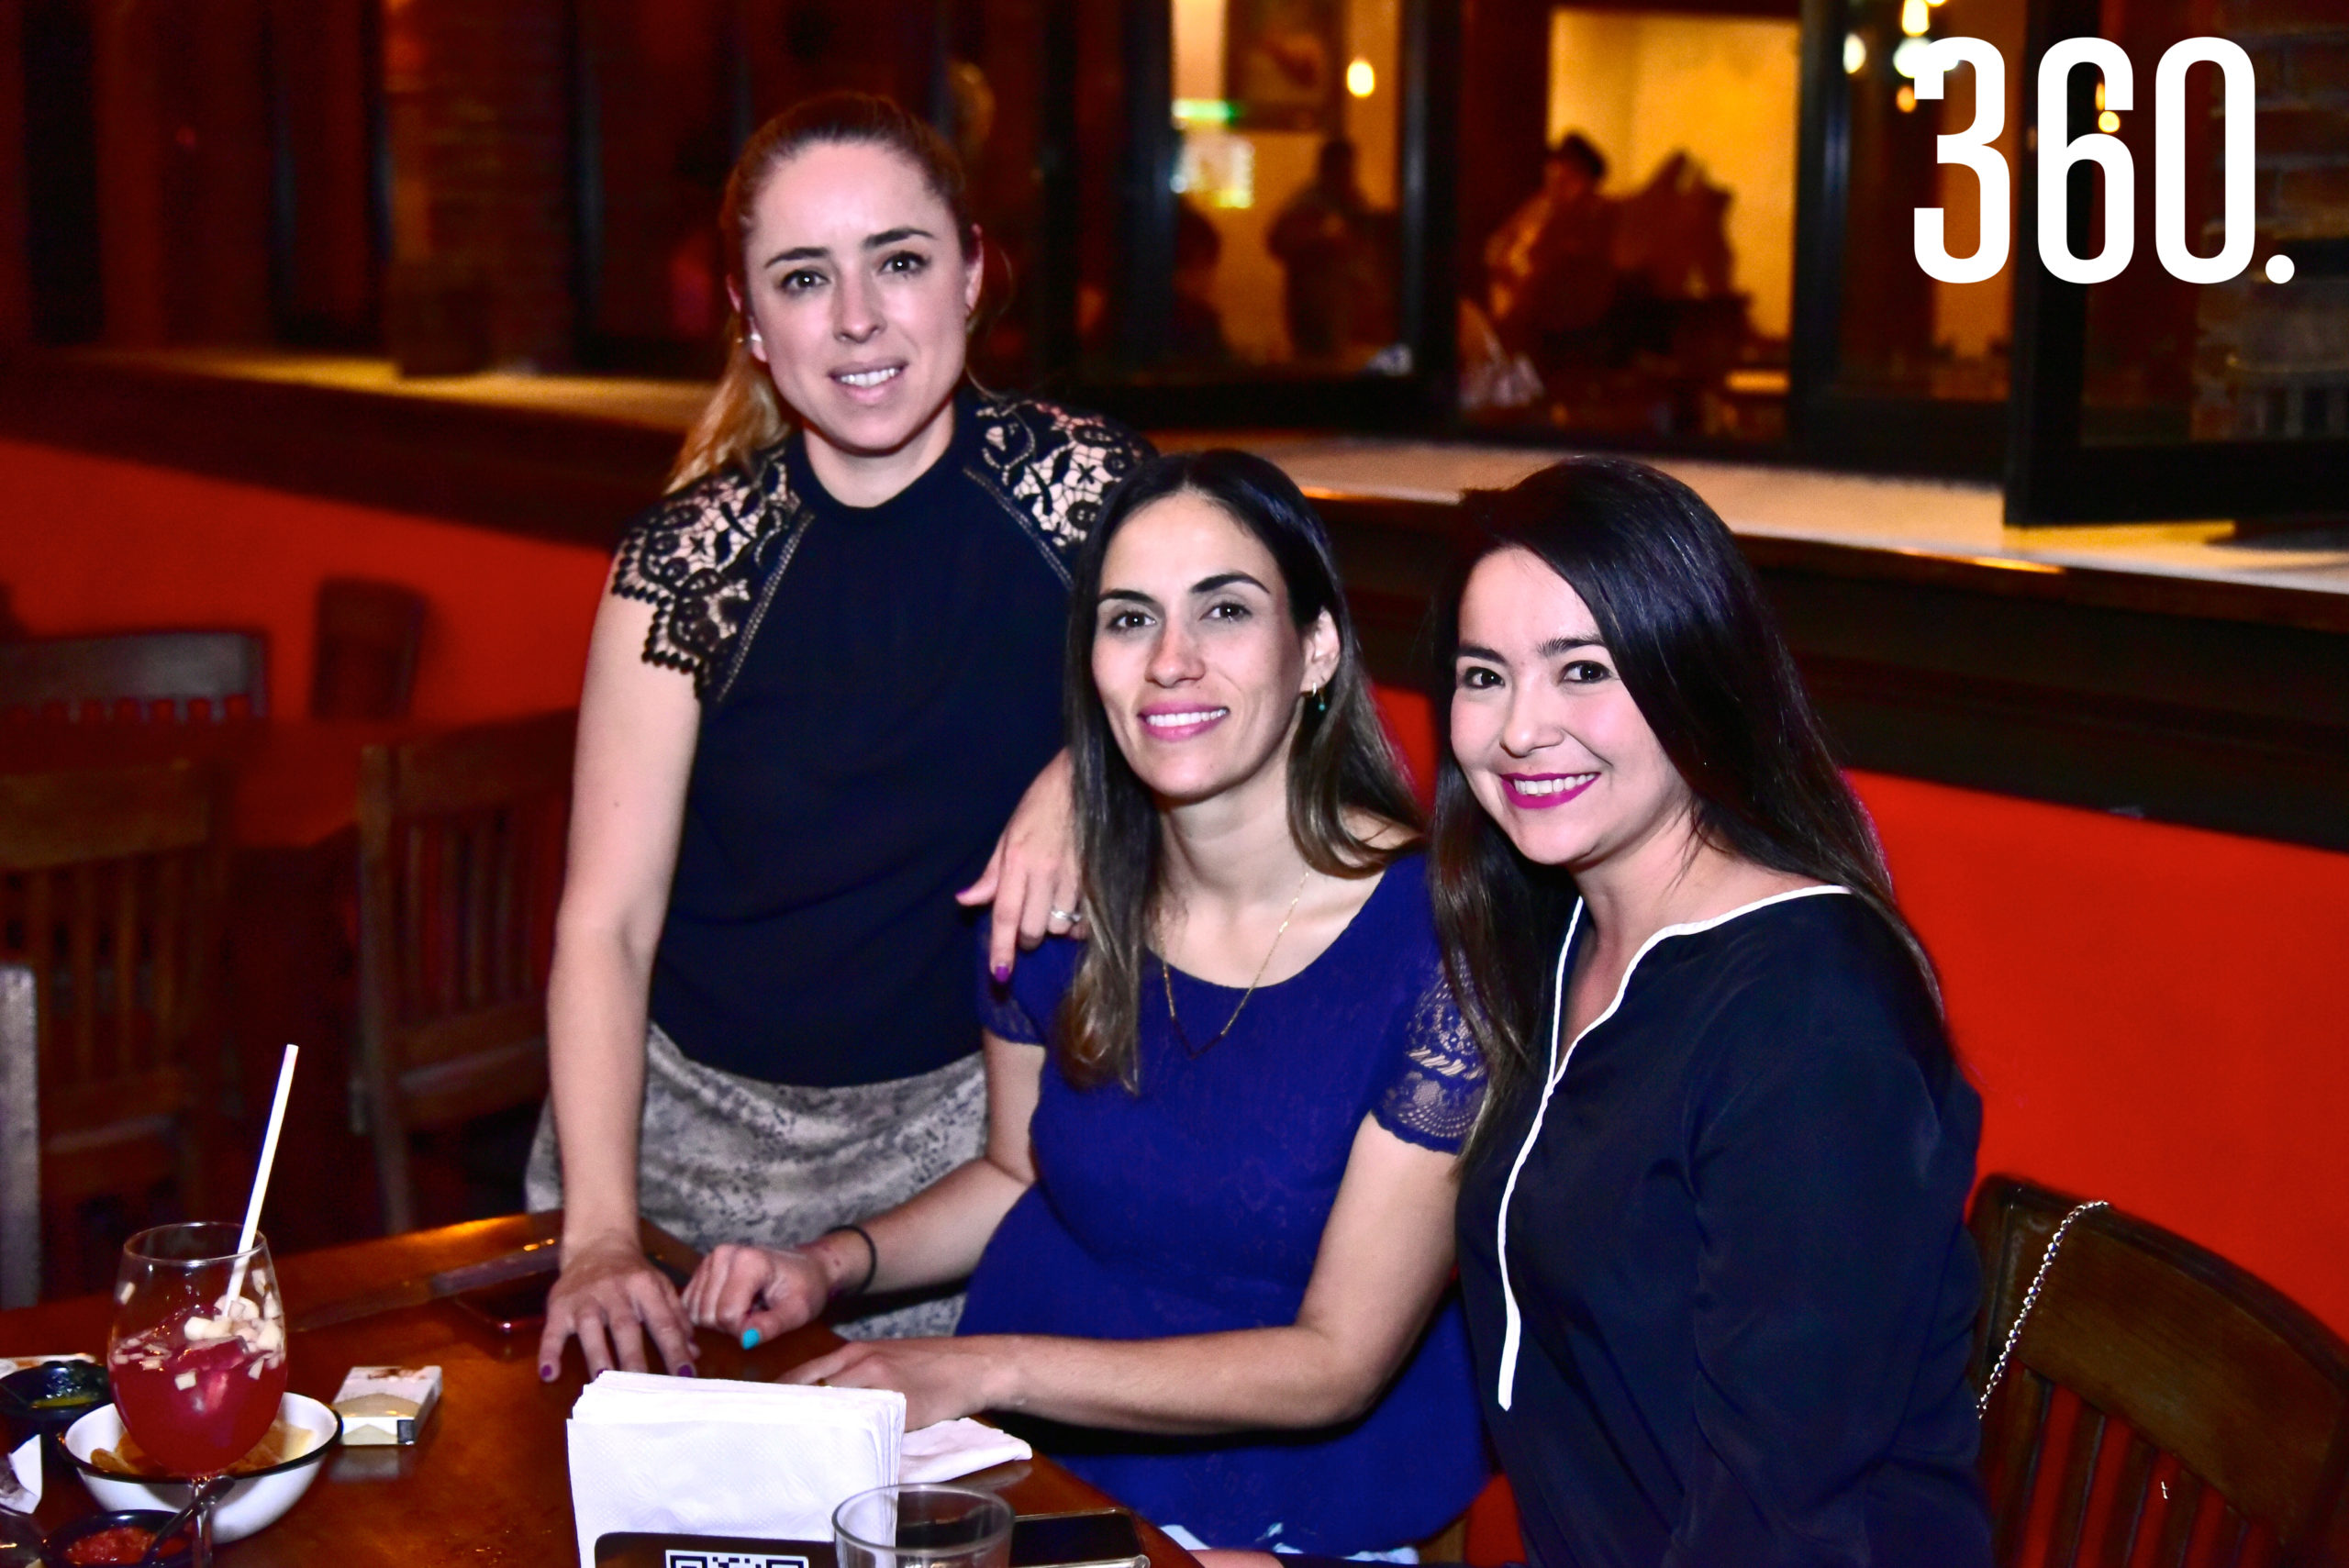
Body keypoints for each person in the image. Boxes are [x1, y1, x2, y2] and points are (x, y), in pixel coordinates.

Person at [684, 450, 1489, 1559]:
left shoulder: (1438, 949)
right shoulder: (1057, 897)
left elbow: (1336, 1359)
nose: (1171, 660)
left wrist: (988, 1362)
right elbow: (1017, 1172)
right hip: (1025, 1477)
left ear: (1316, 650)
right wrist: (833, 1261)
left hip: (1294, 1517)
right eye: (1128, 618)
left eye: (1224, 609)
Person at [529, 92, 1151, 1381]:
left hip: (962, 1171)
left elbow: (1254, 707)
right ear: (750, 322)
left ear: (973, 273)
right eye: (805, 279)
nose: (859, 318)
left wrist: (1082, 773)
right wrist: (596, 1237)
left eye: (901, 262)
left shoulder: (1092, 497)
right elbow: (608, 923)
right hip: (669, 1156)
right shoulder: (684, 563)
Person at [1429, 458, 1992, 1566]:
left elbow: (1777, 1520)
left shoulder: (1806, 1014)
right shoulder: (1562, 930)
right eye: (1483, 675)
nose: (1522, 730)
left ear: (1693, 673)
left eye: (1582, 669)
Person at [1484, 132, 1617, 370]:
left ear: (1585, 178)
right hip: (1521, 320)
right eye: (1554, 172)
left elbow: (1574, 268)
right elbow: (1497, 246)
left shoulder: (1598, 213)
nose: (1557, 182)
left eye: (1568, 177)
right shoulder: (1539, 205)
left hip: (1567, 327)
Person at [1266, 139, 1392, 361]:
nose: (1347, 175)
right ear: (1326, 169)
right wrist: (1322, 240)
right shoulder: (1307, 206)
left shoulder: (1355, 203)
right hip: (1317, 316)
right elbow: (1279, 242)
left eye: (1349, 168)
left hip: (1350, 319)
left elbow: (1368, 254)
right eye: (1341, 169)